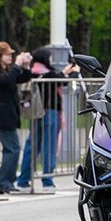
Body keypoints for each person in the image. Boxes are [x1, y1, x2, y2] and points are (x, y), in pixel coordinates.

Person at [16, 46, 78, 193]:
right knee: (49, 147)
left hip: (35, 113)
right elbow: (63, 81)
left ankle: (23, 180)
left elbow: (59, 77)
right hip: (50, 112)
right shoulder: (49, 74)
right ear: (45, 58)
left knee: (32, 146)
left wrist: (65, 72)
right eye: (50, 57)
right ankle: (47, 181)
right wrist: (73, 73)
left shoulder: (31, 73)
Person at [0, 42, 33, 194]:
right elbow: (6, 81)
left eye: (11, 54)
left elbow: (23, 78)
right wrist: (18, 65)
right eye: (7, 54)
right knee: (12, 149)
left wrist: (25, 66)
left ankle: (6, 181)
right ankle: (2, 181)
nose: (10, 57)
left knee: (12, 149)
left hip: (9, 116)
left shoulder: (8, 71)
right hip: (1, 116)